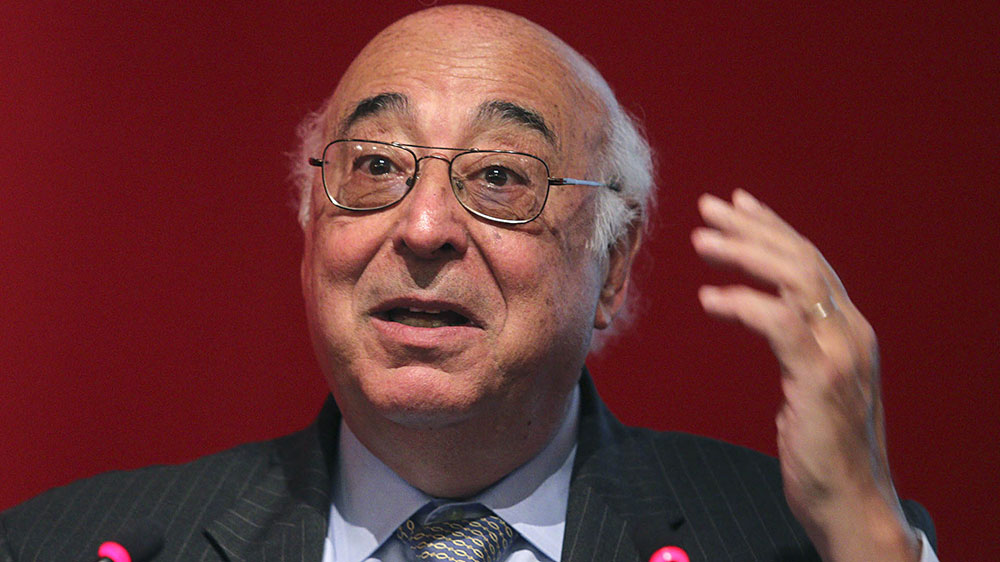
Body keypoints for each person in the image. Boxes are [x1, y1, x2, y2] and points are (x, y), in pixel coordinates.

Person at [0, 6, 937, 562]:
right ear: (312, 229)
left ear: (613, 266)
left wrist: (865, 536)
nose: (423, 229)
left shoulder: (799, 545)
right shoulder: (68, 546)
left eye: (499, 176)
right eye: (376, 165)